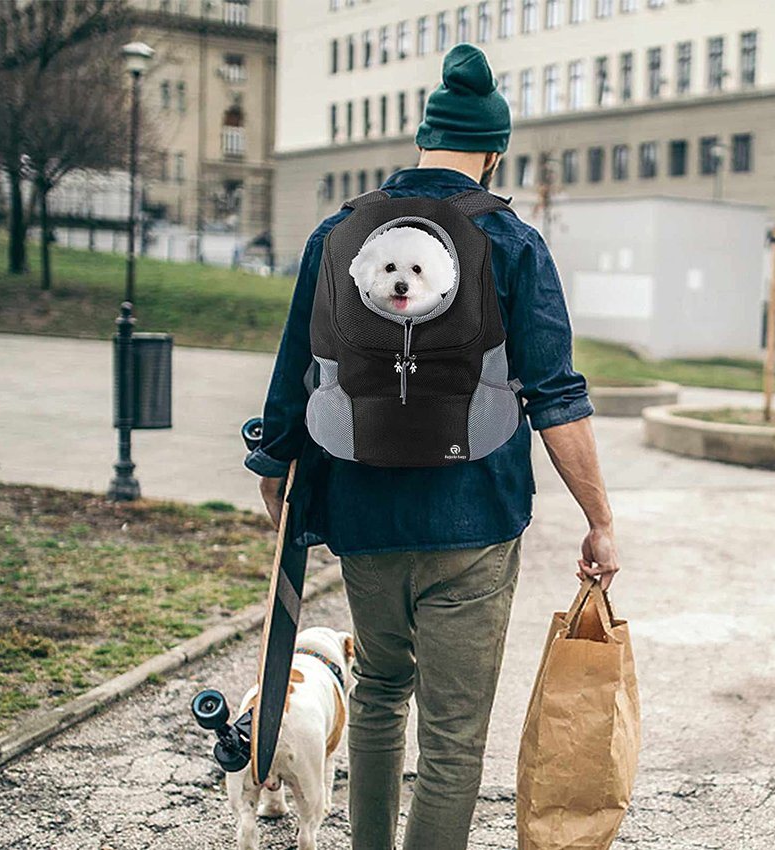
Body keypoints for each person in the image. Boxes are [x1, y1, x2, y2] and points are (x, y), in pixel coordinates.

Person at [244, 42, 620, 850]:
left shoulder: (338, 236)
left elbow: (294, 378)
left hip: (363, 515)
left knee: (379, 692)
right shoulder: (513, 242)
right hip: (473, 521)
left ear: (422, 139)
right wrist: (599, 517)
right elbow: (555, 395)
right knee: (453, 732)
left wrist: (275, 475)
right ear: (494, 150)